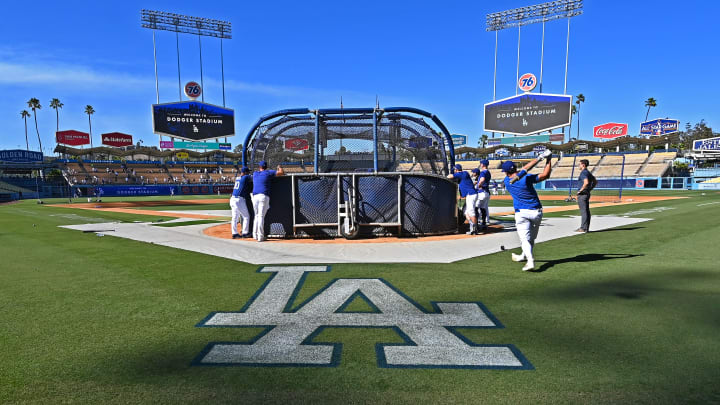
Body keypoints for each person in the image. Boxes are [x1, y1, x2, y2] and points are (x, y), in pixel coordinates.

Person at [501, 149, 553, 271]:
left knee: (525, 240)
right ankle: (523, 256)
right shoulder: (526, 178)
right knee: (531, 239)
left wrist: (540, 158)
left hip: (521, 213)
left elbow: (525, 169)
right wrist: (547, 159)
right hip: (536, 211)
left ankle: (530, 261)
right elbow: (545, 175)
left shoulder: (507, 181)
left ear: (506, 172)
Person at [251, 161, 284, 242]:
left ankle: (255, 235)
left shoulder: (255, 173)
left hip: (255, 197)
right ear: (266, 167)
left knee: (256, 216)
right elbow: (281, 173)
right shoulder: (268, 172)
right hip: (263, 196)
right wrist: (279, 167)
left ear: (259, 167)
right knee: (261, 216)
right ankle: (260, 237)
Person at [447, 164, 479, 235]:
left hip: (471, 194)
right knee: (465, 211)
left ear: (456, 169)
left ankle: (475, 228)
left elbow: (450, 176)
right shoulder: (462, 175)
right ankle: (472, 227)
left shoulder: (462, 173)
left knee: (471, 212)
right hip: (470, 195)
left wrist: (445, 176)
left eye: (455, 169)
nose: (454, 171)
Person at [230, 167, 252, 239]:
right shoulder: (245, 177)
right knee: (246, 216)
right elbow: (252, 177)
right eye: (248, 172)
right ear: (245, 172)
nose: (249, 173)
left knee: (235, 217)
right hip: (239, 199)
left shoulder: (237, 178)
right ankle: (245, 233)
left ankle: (234, 233)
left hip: (232, 199)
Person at [575, 159, 596, 233]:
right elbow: (595, 181)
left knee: (584, 211)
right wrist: (590, 189)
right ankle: (586, 227)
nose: (579, 166)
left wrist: (580, 190)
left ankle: (583, 228)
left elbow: (586, 182)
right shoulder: (588, 172)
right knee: (586, 211)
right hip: (587, 193)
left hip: (583, 194)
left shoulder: (583, 173)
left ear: (583, 165)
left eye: (580, 164)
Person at [474, 159, 492, 231]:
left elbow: (482, 179)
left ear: (483, 165)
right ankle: (484, 223)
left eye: (481, 163)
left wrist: (479, 185)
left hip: (481, 192)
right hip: (486, 192)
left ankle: (476, 224)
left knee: (475, 208)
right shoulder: (488, 172)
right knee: (483, 208)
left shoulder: (483, 172)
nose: (480, 165)